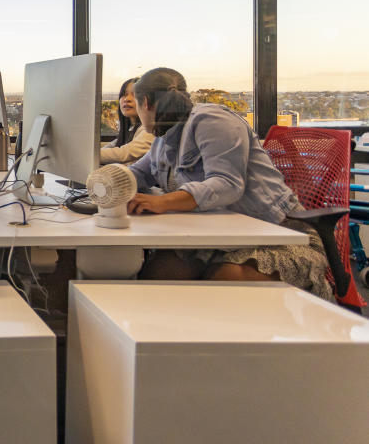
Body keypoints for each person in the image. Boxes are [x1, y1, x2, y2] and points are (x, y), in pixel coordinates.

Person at [125, 67, 333, 300]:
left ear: (145, 102)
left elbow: (227, 184)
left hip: (280, 235)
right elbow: (137, 173)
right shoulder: (162, 141)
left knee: (224, 278)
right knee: (158, 272)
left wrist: (162, 202)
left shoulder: (211, 120)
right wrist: (105, 186)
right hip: (220, 241)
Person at [100, 76, 154, 164]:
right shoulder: (130, 129)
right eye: (124, 94)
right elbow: (110, 148)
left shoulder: (150, 130)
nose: (127, 99)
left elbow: (123, 153)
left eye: (135, 95)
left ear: (146, 101)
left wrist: (89, 155)